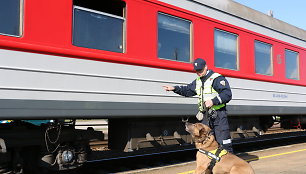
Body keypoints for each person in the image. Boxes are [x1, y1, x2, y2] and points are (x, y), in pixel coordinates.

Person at [163, 58, 233, 153]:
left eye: (200, 70)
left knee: (223, 142)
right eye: (197, 71)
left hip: (219, 116)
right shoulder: (198, 81)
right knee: (207, 142)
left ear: (206, 67)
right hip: (206, 116)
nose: (199, 73)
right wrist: (174, 88)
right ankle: (212, 165)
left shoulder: (217, 79)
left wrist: (213, 101)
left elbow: (227, 94)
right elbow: (187, 90)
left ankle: (228, 164)